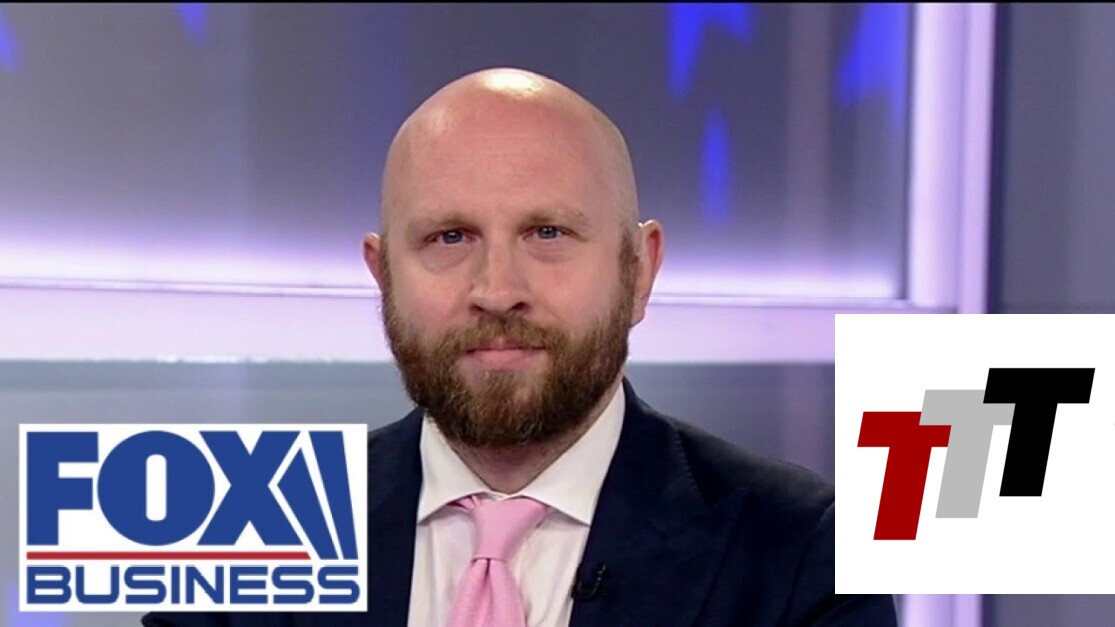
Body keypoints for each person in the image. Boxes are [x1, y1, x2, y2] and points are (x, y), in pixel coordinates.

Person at [144, 67, 896, 627]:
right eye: (449, 237)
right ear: (382, 275)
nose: (497, 289)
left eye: (547, 232)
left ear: (640, 271)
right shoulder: (244, 535)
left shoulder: (800, 550)